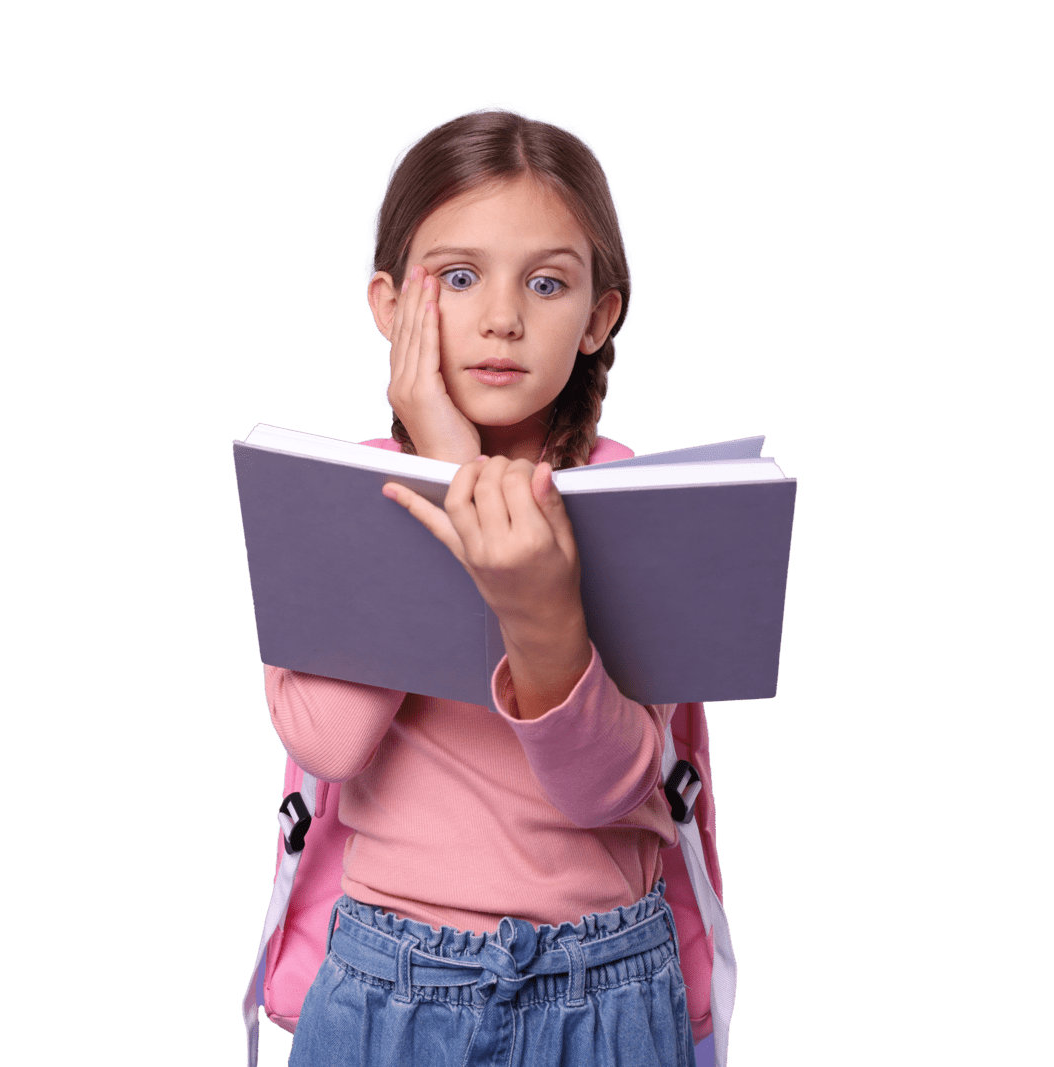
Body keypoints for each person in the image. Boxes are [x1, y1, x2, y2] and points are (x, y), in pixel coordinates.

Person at [266, 102, 697, 1067]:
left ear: (599, 316)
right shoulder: (328, 494)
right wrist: (446, 466)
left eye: (547, 283)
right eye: (458, 277)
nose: (502, 316)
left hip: (608, 984)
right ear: (388, 305)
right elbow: (329, 741)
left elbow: (609, 788)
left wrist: (542, 605)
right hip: (390, 978)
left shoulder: (640, 504)